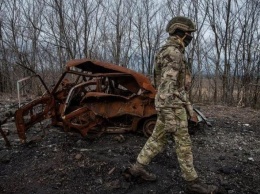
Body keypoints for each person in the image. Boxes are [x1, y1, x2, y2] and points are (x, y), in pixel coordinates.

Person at [128, 16, 221, 194]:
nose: (191, 38)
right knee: (184, 145)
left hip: (171, 105)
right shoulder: (174, 54)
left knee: (156, 140)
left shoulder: (167, 51)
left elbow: (173, 87)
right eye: (189, 34)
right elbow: (165, 89)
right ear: (182, 33)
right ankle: (193, 184)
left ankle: (136, 168)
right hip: (172, 107)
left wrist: (188, 107)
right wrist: (171, 116)